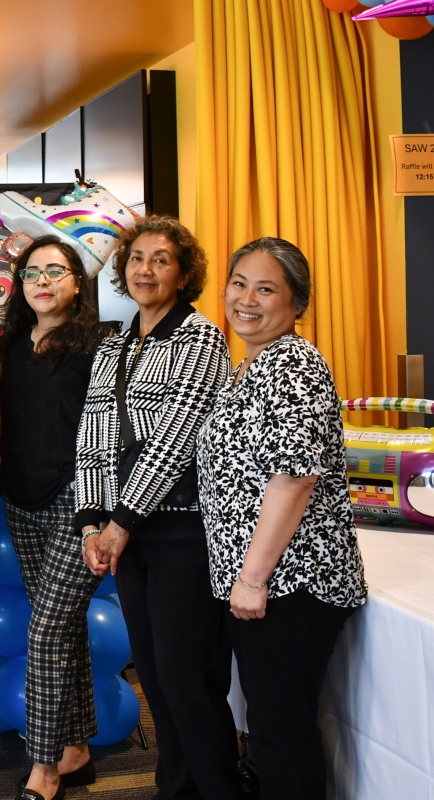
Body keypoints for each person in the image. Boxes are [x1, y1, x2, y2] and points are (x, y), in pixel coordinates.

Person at [196, 238, 366, 800]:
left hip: (292, 582)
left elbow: (293, 478)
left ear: (296, 302)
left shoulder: (294, 363)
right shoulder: (252, 365)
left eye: (266, 288)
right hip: (268, 580)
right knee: (270, 726)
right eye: (239, 283)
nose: (246, 299)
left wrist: (252, 578)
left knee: (279, 732)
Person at [79, 216, 240, 800]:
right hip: (128, 532)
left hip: (184, 532)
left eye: (161, 259)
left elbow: (175, 440)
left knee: (186, 676)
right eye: (137, 258)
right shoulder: (116, 342)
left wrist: (119, 523)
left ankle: (219, 787)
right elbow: (91, 434)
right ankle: (177, 786)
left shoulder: (199, 339)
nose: (145, 270)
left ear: (184, 273)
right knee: (153, 673)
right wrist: (91, 521)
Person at [0, 236, 108, 800]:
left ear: (76, 282)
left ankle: (42, 767)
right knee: (62, 629)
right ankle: (77, 750)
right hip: (20, 501)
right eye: (32, 271)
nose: (43, 281)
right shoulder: (11, 343)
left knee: (44, 631)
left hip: (76, 503)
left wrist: (101, 513)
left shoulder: (101, 345)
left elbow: (108, 434)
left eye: (56, 271)